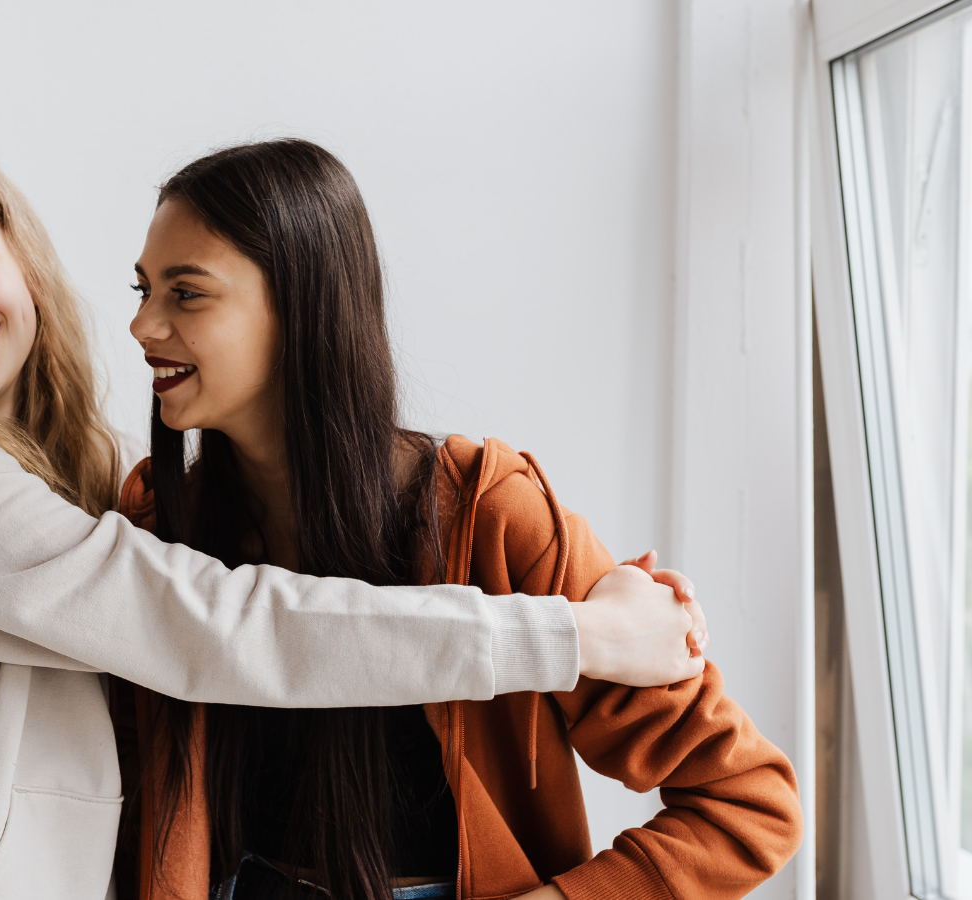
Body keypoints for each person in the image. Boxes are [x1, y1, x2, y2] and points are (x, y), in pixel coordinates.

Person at [0, 130, 706, 900]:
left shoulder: (480, 505)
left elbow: (738, 797)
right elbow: (212, 627)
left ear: (22, 264)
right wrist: (580, 635)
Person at [114, 139, 800, 900]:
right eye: (142, 291)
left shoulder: (492, 517)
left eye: (186, 293)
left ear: (301, 304)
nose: (143, 326)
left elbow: (748, 803)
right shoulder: (153, 520)